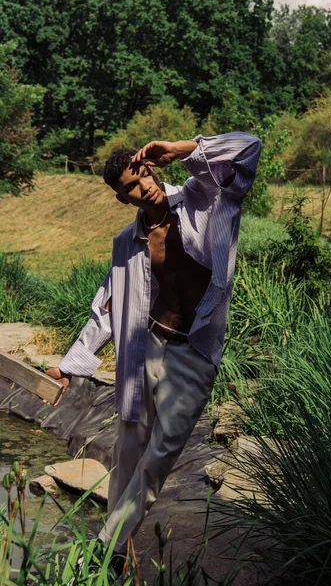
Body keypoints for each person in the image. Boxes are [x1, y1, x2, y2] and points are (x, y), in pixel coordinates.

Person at [46, 132, 261, 562]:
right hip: (144, 349)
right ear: (122, 198)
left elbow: (247, 148)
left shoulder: (204, 200)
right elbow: (106, 307)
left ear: (153, 170)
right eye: (130, 185)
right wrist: (71, 365)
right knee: (128, 454)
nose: (142, 186)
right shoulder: (127, 241)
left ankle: (103, 551)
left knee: (159, 457)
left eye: (143, 174)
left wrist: (182, 148)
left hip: (193, 353)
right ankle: (117, 557)